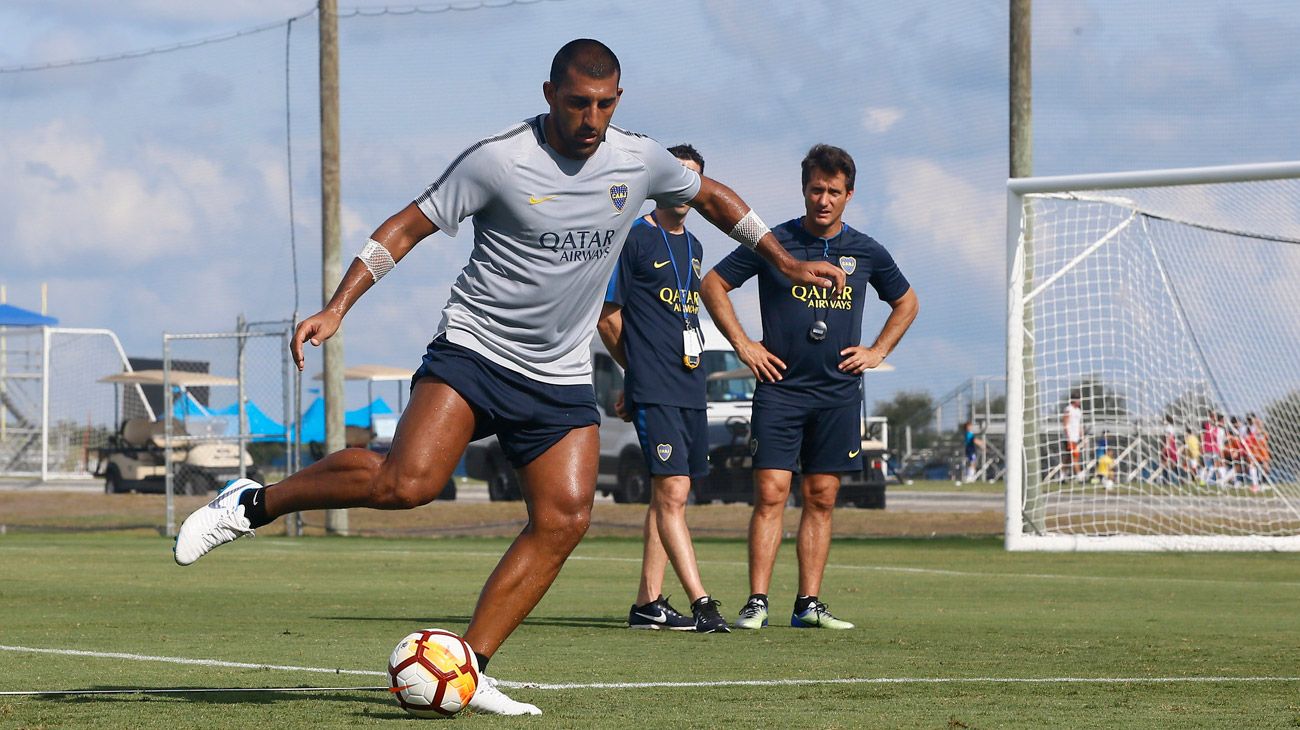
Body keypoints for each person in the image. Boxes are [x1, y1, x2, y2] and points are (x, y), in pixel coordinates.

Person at [171, 39, 845, 716]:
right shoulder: (497, 160)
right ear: (549, 94)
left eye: (605, 104)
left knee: (564, 518)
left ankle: (470, 667)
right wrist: (337, 306)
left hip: (557, 376)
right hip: (476, 352)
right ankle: (253, 504)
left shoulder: (638, 159)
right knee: (406, 484)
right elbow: (406, 228)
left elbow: (717, 199)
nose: (592, 117)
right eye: (579, 102)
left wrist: (782, 263)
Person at [700, 144, 918, 631]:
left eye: (834, 192)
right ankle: (757, 601)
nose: (824, 200)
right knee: (772, 493)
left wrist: (877, 352)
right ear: (804, 189)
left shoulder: (867, 250)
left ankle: (808, 605)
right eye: (816, 189)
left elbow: (906, 303)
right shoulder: (773, 242)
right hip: (781, 390)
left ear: (849, 195)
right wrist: (744, 346)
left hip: (838, 394)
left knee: (821, 497)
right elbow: (712, 284)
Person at [596, 143, 728, 633]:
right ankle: (702, 602)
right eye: (678, 176)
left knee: (670, 493)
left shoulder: (694, 247)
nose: (685, 187)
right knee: (671, 491)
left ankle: (648, 603)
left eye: (694, 178)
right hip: (656, 386)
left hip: (690, 384)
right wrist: (639, 373)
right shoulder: (632, 237)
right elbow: (609, 318)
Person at [1062, 395, 1083, 481]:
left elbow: (1079, 425)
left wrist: (1082, 436)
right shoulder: (1068, 409)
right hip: (1070, 438)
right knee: (1075, 457)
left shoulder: (1078, 411)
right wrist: (1068, 436)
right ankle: (1080, 476)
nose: (1080, 401)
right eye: (1078, 399)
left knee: (1068, 458)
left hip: (1076, 438)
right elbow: (1065, 423)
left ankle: (1062, 476)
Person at [957, 420, 983, 485]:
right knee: (972, 463)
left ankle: (971, 477)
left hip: (971, 450)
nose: (971, 427)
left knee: (973, 463)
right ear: (967, 427)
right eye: (970, 426)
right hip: (970, 450)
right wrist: (981, 443)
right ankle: (969, 477)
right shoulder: (969, 433)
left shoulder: (969, 433)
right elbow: (973, 440)